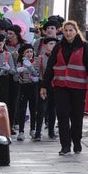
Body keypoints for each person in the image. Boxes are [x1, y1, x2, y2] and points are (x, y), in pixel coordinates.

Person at [41, 20, 88, 155]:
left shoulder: (84, 47)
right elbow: (50, 67)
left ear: (76, 31)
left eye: (71, 30)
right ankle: (65, 146)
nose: (68, 33)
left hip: (78, 87)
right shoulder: (58, 47)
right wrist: (44, 85)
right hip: (61, 87)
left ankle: (77, 143)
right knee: (62, 116)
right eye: (66, 30)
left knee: (76, 117)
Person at [34, 37, 59, 141]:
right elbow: (36, 71)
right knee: (41, 108)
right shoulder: (40, 58)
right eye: (50, 44)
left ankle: (51, 131)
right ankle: (38, 132)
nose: (53, 46)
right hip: (43, 83)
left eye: (54, 44)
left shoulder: (59, 58)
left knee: (53, 109)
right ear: (45, 46)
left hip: (55, 84)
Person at [14, 44, 39, 141]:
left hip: (33, 86)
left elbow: (37, 74)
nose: (30, 54)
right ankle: (21, 131)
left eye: (31, 51)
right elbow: (15, 78)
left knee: (34, 108)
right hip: (23, 86)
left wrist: (31, 67)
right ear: (23, 54)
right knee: (22, 108)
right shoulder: (20, 62)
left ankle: (33, 129)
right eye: (27, 52)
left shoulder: (35, 61)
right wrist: (17, 71)